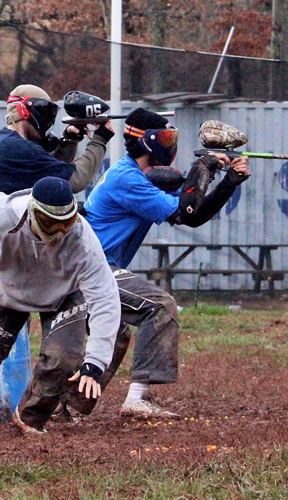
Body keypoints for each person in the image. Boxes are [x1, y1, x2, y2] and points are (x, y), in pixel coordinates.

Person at [82, 108, 251, 418]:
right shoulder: (127, 180)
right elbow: (186, 210)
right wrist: (204, 167)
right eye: (166, 138)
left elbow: (193, 214)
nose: (171, 144)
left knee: (116, 333)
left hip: (95, 267)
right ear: (147, 143)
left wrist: (228, 182)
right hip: (93, 270)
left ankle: (70, 405)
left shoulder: (136, 176)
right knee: (159, 306)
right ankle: (136, 399)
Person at [0, 176, 120, 434]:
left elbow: (105, 298)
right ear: (32, 212)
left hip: (64, 295)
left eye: (65, 224)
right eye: (49, 223)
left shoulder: (82, 239)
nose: (57, 233)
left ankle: (30, 415)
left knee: (63, 360)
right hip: (9, 290)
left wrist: (96, 362)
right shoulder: (0, 215)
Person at [0, 84, 114, 196]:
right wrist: (100, 139)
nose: (48, 121)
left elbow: (48, 172)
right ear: (25, 111)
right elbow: (77, 180)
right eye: (45, 113)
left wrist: (70, 140)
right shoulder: (19, 148)